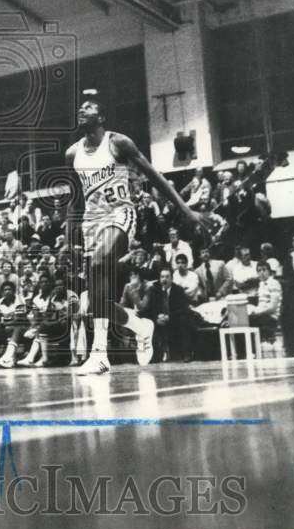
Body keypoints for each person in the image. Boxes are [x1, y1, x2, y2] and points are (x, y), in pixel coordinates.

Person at [65, 99, 208, 375]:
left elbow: (156, 177)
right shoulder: (72, 154)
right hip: (90, 223)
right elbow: (74, 198)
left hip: (121, 214)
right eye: (80, 107)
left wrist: (185, 209)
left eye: (89, 106)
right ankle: (139, 325)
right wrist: (69, 235)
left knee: (97, 265)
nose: (81, 109)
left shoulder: (118, 142)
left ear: (102, 116)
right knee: (97, 301)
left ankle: (99, 355)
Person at [141, 267, 197, 363]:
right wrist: (157, 317)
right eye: (162, 277)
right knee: (147, 321)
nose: (164, 279)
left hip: (174, 319)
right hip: (159, 320)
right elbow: (150, 308)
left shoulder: (178, 290)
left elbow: (183, 309)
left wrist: (169, 317)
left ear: (172, 278)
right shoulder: (155, 290)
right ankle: (154, 355)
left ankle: (186, 353)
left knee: (184, 320)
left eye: (167, 277)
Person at [248, 262, 282, 342]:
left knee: (249, 320)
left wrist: (256, 313)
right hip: (263, 316)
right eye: (259, 270)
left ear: (269, 271)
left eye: (264, 270)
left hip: (272, 318)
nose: (262, 272)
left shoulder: (274, 283)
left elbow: (272, 308)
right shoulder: (261, 284)